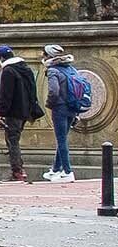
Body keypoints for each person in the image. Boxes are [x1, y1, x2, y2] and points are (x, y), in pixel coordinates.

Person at [0, 44, 42, 183]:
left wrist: (1, 114)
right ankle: (18, 170)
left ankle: (17, 171)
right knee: (15, 138)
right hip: (25, 111)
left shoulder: (8, 71)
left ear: (1, 58)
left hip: (13, 112)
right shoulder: (25, 68)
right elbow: (33, 90)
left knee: (12, 141)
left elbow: (6, 95)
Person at [44, 43, 78, 182]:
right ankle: (55, 170)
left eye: (44, 54)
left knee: (61, 140)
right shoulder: (71, 69)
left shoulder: (53, 71)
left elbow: (54, 91)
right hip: (72, 107)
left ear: (49, 56)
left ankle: (68, 171)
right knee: (62, 138)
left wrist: (49, 104)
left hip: (60, 108)